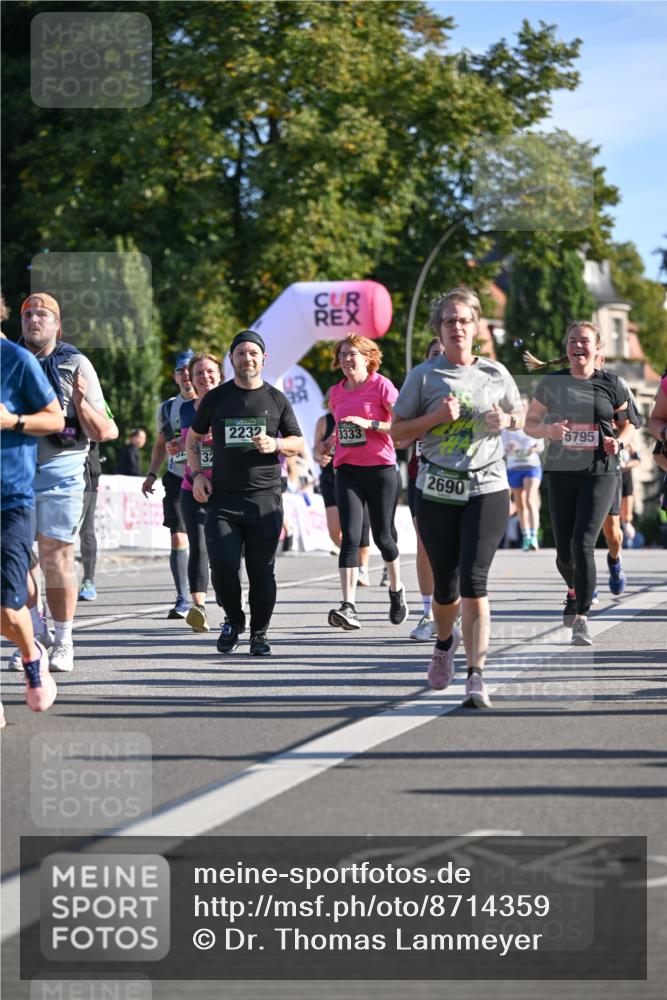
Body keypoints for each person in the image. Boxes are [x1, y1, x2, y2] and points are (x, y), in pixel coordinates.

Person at [392, 287, 523, 708]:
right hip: (437, 489)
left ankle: (476, 675)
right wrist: (434, 417)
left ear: (476, 326)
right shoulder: (423, 376)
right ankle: (444, 643)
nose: (458, 327)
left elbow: (520, 415)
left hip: (488, 486)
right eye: (450, 321)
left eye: (465, 320)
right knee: (446, 586)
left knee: (474, 581)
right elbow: (396, 433)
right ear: (439, 328)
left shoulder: (496, 373)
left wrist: (506, 419)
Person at [13, 293, 117, 674]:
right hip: (14, 470)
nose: (33, 320)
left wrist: (81, 402)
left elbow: (106, 430)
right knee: (16, 557)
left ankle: (64, 640)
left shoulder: (76, 363)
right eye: (27, 314)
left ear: (58, 325)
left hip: (63, 467)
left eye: (42, 314)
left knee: (55, 555)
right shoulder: (9, 361)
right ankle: (34, 631)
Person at [186, 330, 304, 656]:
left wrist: (276, 443)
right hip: (223, 498)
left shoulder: (276, 399)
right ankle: (234, 619)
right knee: (223, 564)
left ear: (263, 359)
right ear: (231, 359)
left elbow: (297, 442)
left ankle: (259, 633)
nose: (247, 358)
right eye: (240, 353)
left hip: (264, 499)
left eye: (253, 353)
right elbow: (193, 439)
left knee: (261, 569)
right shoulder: (216, 398)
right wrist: (197, 475)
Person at [524, 321, 634, 646]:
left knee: (583, 543)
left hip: (601, 471)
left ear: (597, 348)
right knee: (564, 554)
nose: (578, 345)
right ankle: (573, 590)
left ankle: (582, 619)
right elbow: (530, 423)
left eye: (584, 340)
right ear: (567, 348)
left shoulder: (612, 383)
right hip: (562, 471)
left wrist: (619, 442)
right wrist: (547, 431)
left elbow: (628, 423)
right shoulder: (552, 383)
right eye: (572, 340)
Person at [1, 333, 64, 723]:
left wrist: (13, 420)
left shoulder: (17, 360)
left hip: (9, 500)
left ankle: (32, 655)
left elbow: (56, 418)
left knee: (8, 609)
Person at [326, 334, 408, 630]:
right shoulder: (336, 392)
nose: (346, 359)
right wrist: (328, 442)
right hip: (347, 469)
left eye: (352, 354)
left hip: (380, 469)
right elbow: (340, 426)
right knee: (349, 537)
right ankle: (348, 605)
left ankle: (396, 590)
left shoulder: (382, 385)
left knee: (383, 537)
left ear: (367, 357)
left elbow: (401, 426)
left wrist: (370, 424)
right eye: (343, 354)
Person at [141, 350, 196, 619]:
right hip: (177, 476)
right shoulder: (166, 408)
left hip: (211, 477)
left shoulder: (213, 402)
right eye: (180, 370)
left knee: (212, 539)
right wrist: (152, 473)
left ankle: (226, 592)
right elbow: (161, 443)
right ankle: (183, 599)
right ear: (175, 377)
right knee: (177, 535)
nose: (186, 375)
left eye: (190, 369)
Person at [177, 352, 223, 633]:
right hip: (192, 485)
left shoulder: (232, 404)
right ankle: (199, 608)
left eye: (209, 372)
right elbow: (186, 443)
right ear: (191, 379)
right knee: (199, 546)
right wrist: (176, 446)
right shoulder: (185, 409)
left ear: (220, 375)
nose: (204, 377)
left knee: (226, 549)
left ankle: (231, 601)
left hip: (226, 488)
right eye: (198, 373)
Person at [404, 338, 444, 641]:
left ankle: (455, 610)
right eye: (434, 355)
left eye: (444, 353)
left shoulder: (468, 388)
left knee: (455, 547)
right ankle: (429, 612)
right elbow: (400, 435)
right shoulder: (415, 391)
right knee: (424, 545)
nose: (440, 359)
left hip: (458, 477)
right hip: (421, 475)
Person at [312, 388, 371, 582]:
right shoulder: (324, 421)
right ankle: (352, 558)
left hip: (354, 474)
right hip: (330, 478)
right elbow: (315, 449)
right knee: (334, 531)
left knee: (361, 525)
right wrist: (319, 457)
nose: (334, 405)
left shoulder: (355, 418)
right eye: (331, 402)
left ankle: (362, 568)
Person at [500, 398, 544, 551]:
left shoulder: (534, 424)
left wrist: (534, 448)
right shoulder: (507, 427)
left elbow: (540, 446)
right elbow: (502, 448)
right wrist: (509, 448)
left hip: (531, 465)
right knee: (520, 503)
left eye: (524, 407)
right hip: (514, 467)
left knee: (530, 499)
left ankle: (534, 537)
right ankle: (526, 537)